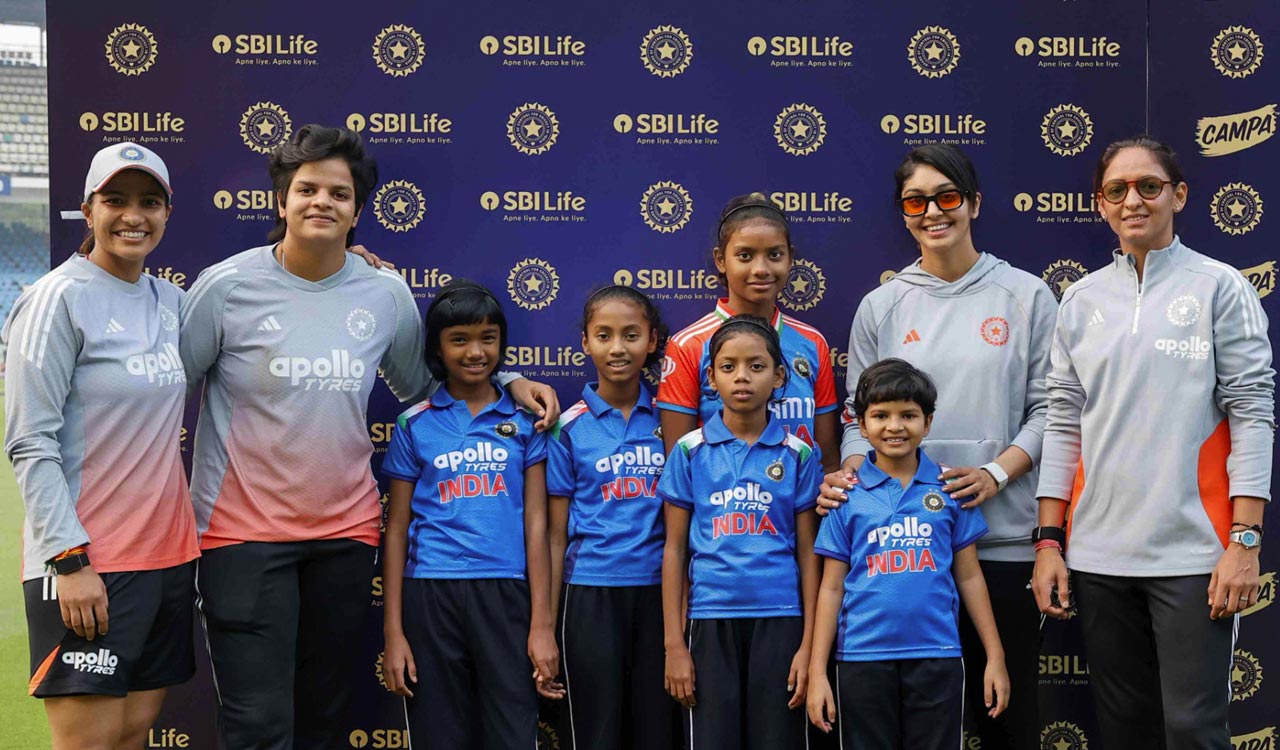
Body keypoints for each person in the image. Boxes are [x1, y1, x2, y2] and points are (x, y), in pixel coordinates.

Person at [178, 125, 560, 750]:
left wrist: (509, 378)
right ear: (281, 201)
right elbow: (170, 390)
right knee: (257, 722)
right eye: (306, 190)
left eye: (339, 192)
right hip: (241, 535)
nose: (321, 202)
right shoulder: (224, 287)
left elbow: (423, 387)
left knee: (327, 714)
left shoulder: (383, 292)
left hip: (345, 536)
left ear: (358, 209)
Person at [1032, 135, 1274, 750]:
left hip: (1194, 556)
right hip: (1098, 557)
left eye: (1149, 186)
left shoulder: (1220, 287)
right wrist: (1050, 542)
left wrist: (1244, 542)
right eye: (1117, 190)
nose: (1132, 200)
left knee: (1193, 730)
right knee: (1124, 732)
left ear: (1179, 195)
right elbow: (1062, 422)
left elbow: (1252, 411)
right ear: (1101, 204)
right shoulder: (1081, 299)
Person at [817, 144, 1054, 748]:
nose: (933, 212)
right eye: (916, 201)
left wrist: (996, 474)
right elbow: (854, 416)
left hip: (1000, 542)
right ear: (902, 213)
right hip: (899, 559)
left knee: (1007, 717)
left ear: (973, 203)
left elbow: (1053, 411)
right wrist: (851, 475)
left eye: (948, 197)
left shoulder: (1027, 296)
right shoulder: (882, 305)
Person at [4, 142, 199, 749]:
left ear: (168, 213)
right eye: (115, 200)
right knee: (90, 741)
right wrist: (69, 560)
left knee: (134, 732)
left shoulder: (173, 302)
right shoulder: (54, 298)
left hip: (167, 559)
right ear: (87, 210)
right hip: (87, 564)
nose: (132, 216)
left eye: (149, 202)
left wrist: (350, 267)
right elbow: (29, 441)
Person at [379, 280, 557, 748]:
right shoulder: (414, 423)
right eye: (459, 339)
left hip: (506, 594)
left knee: (513, 731)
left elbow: (536, 527)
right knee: (440, 733)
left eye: (488, 338)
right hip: (430, 594)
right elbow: (395, 530)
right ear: (437, 347)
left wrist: (541, 625)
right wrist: (394, 632)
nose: (476, 352)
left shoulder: (526, 421)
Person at [807, 358, 1009, 749]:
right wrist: (818, 672)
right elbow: (831, 589)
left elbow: (969, 577)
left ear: (928, 422)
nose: (895, 426)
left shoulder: (949, 489)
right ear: (861, 426)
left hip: (938, 654)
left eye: (908, 415)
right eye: (881, 415)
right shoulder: (845, 495)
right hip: (861, 658)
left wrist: (995, 656)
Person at [658, 315, 821, 749]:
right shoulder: (690, 452)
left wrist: (808, 647)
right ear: (710, 378)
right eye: (728, 367)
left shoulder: (800, 454)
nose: (742, 377)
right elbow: (673, 550)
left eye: (756, 365)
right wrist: (675, 646)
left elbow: (808, 554)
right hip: (710, 620)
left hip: (782, 620)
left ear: (779, 375)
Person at [546, 285, 672, 750]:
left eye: (631, 335)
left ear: (652, 341)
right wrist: (545, 623)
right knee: (597, 730)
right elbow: (554, 536)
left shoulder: (673, 421)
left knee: (657, 728)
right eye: (604, 335)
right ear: (585, 342)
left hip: (661, 593)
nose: (617, 348)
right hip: (589, 596)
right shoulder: (568, 427)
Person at [657, 192, 839, 466]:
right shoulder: (689, 345)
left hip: (800, 506)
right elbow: (678, 465)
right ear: (721, 260)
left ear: (790, 258)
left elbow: (827, 459)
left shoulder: (812, 342)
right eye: (745, 256)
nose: (761, 269)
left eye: (774, 255)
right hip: (718, 506)